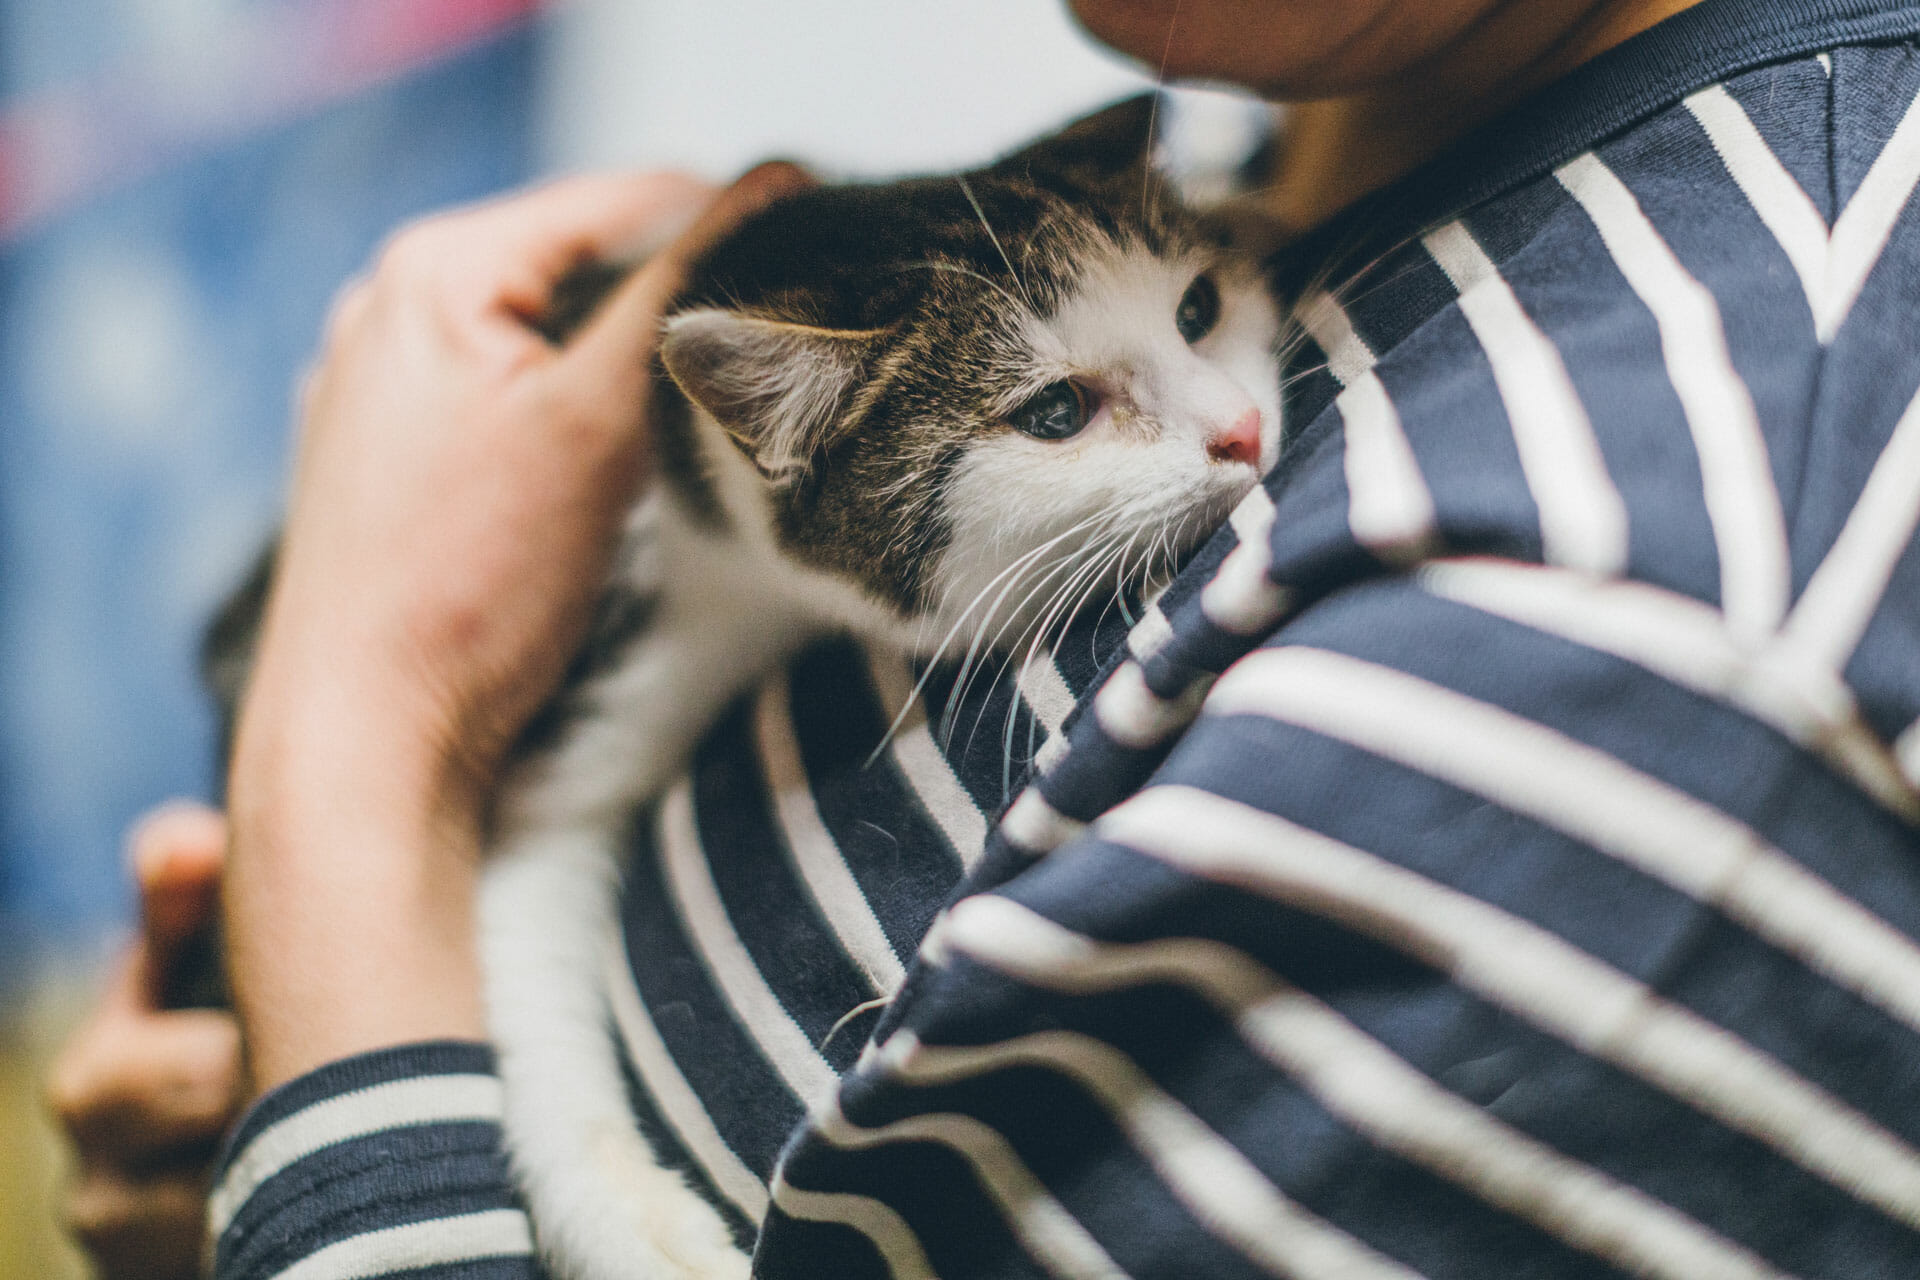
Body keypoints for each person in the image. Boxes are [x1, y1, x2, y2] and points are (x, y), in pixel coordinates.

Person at [53, 0, 1920, 1274]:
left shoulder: (1642, 646)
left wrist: (354, 732)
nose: (1227, 427)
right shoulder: (1264, 131)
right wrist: (329, 1115)